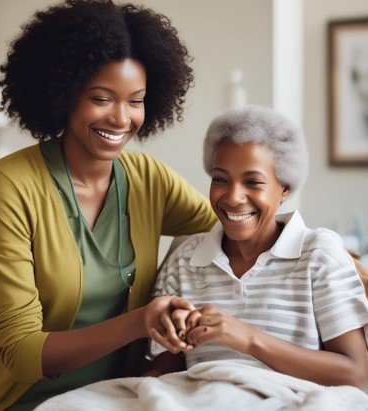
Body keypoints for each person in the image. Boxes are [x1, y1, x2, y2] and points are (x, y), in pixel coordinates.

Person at [0, 1, 218, 410]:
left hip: (115, 398)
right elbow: (21, 353)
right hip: (23, 401)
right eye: (102, 98)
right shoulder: (10, 186)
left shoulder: (148, 178)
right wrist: (138, 323)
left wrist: (334, 259)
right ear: (63, 93)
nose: (121, 118)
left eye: (136, 101)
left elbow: (237, 232)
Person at [148, 105, 368, 387]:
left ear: (285, 188)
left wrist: (246, 338)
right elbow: (166, 373)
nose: (233, 196)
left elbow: (355, 372)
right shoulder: (185, 260)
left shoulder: (319, 254)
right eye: (220, 179)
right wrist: (174, 332)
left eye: (253, 182)